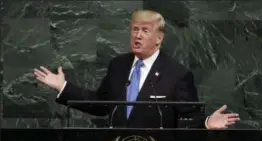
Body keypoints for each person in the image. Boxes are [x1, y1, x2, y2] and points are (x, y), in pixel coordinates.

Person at [33, 9, 240, 129]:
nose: (137, 36)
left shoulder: (178, 75)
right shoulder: (118, 65)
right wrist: (64, 87)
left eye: (144, 31)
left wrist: (205, 122)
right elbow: (102, 104)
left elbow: (186, 119)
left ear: (159, 38)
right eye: (134, 30)